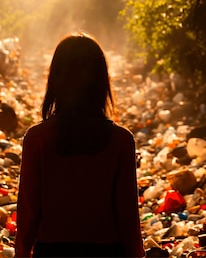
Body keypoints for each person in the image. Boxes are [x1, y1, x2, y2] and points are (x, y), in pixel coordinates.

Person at [15, 32, 145, 257]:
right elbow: (128, 217)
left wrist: (22, 252)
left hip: (51, 252)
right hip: (107, 252)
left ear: (55, 81)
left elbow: (28, 215)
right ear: (101, 82)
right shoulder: (121, 141)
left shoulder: (37, 139)